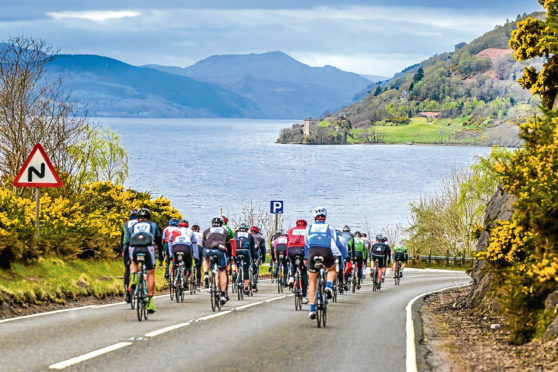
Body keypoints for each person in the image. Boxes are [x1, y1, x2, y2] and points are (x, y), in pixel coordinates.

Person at [304, 207, 348, 320]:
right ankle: (328, 286)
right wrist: (346, 256)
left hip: (313, 252)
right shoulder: (330, 228)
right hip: (326, 251)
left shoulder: (309, 228)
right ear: (325, 217)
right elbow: (338, 243)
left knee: (312, 280)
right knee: (332, 270)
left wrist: (306, 258)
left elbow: (306, 244)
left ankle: (312, 309)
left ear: (314, 217)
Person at [125, 208, 162, 313]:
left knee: (133, 262)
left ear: (138, 218)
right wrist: (161, 255)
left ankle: (133, 279)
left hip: (134, 248)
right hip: (147, 248)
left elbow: (127, 241)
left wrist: (127, 256)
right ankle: (150, 303)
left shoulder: (133, 226)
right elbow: (159, 242)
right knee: (150, 274)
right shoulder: (153, 225)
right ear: (148, 217)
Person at [203, 216, 231, 305]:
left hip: (209, 251)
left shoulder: (207, 231)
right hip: (220, 251)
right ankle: (223, 294)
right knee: (222, 271)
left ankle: (206, 274)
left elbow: (204, 243)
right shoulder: (225, 231)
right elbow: (228, 245)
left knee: (206, 259)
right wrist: (230, 257)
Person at [168, 220, 198, 288]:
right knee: (188, 265)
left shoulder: (174, 230)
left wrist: (170, 254)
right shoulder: (190, 231)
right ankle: (186, 278)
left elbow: (169, 242)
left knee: (175, 262)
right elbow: (194, 244)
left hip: (175, 247)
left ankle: (175, 277)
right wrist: (196, 256)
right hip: (186, 248)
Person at [287, 219, 309, 303]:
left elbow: (288, 241)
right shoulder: (307, 230)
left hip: (291, 249)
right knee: (303, 273)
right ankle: (304, 296)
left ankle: (291, 277)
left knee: (293, 263)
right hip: (302, 249)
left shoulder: (291, 230)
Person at [121, 209, 138, 303]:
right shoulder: (141, 223)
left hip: (127, 247)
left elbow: (122, 238)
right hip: (139, 246)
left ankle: (127, 293)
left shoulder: (126, 224)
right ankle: (137, 283)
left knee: (127, 269)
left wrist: (122, 250)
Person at [234, 223, 256, 294]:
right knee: (245, 269)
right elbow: (252, 249)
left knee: (235, 263)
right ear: (247, 230)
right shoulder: (250, 235)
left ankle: (234, 271)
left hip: (236, 251)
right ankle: (246, 287)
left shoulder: (235, 234)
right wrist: (253, 258)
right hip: (245, 251)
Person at [250, 225, 265, 292]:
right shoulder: (260, 237)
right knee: (255, 268)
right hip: (256, 253)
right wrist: (263, 258)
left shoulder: (248, 235)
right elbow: (263, 249)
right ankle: (254, 285)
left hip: (248, 252)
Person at [192, 224, 203, 289]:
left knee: (187, 263)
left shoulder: (190, 233)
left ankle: (185, 278)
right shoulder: (201, 234)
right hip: (199, 248)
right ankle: (198, 284)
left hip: (190, 248)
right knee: (198, 267)